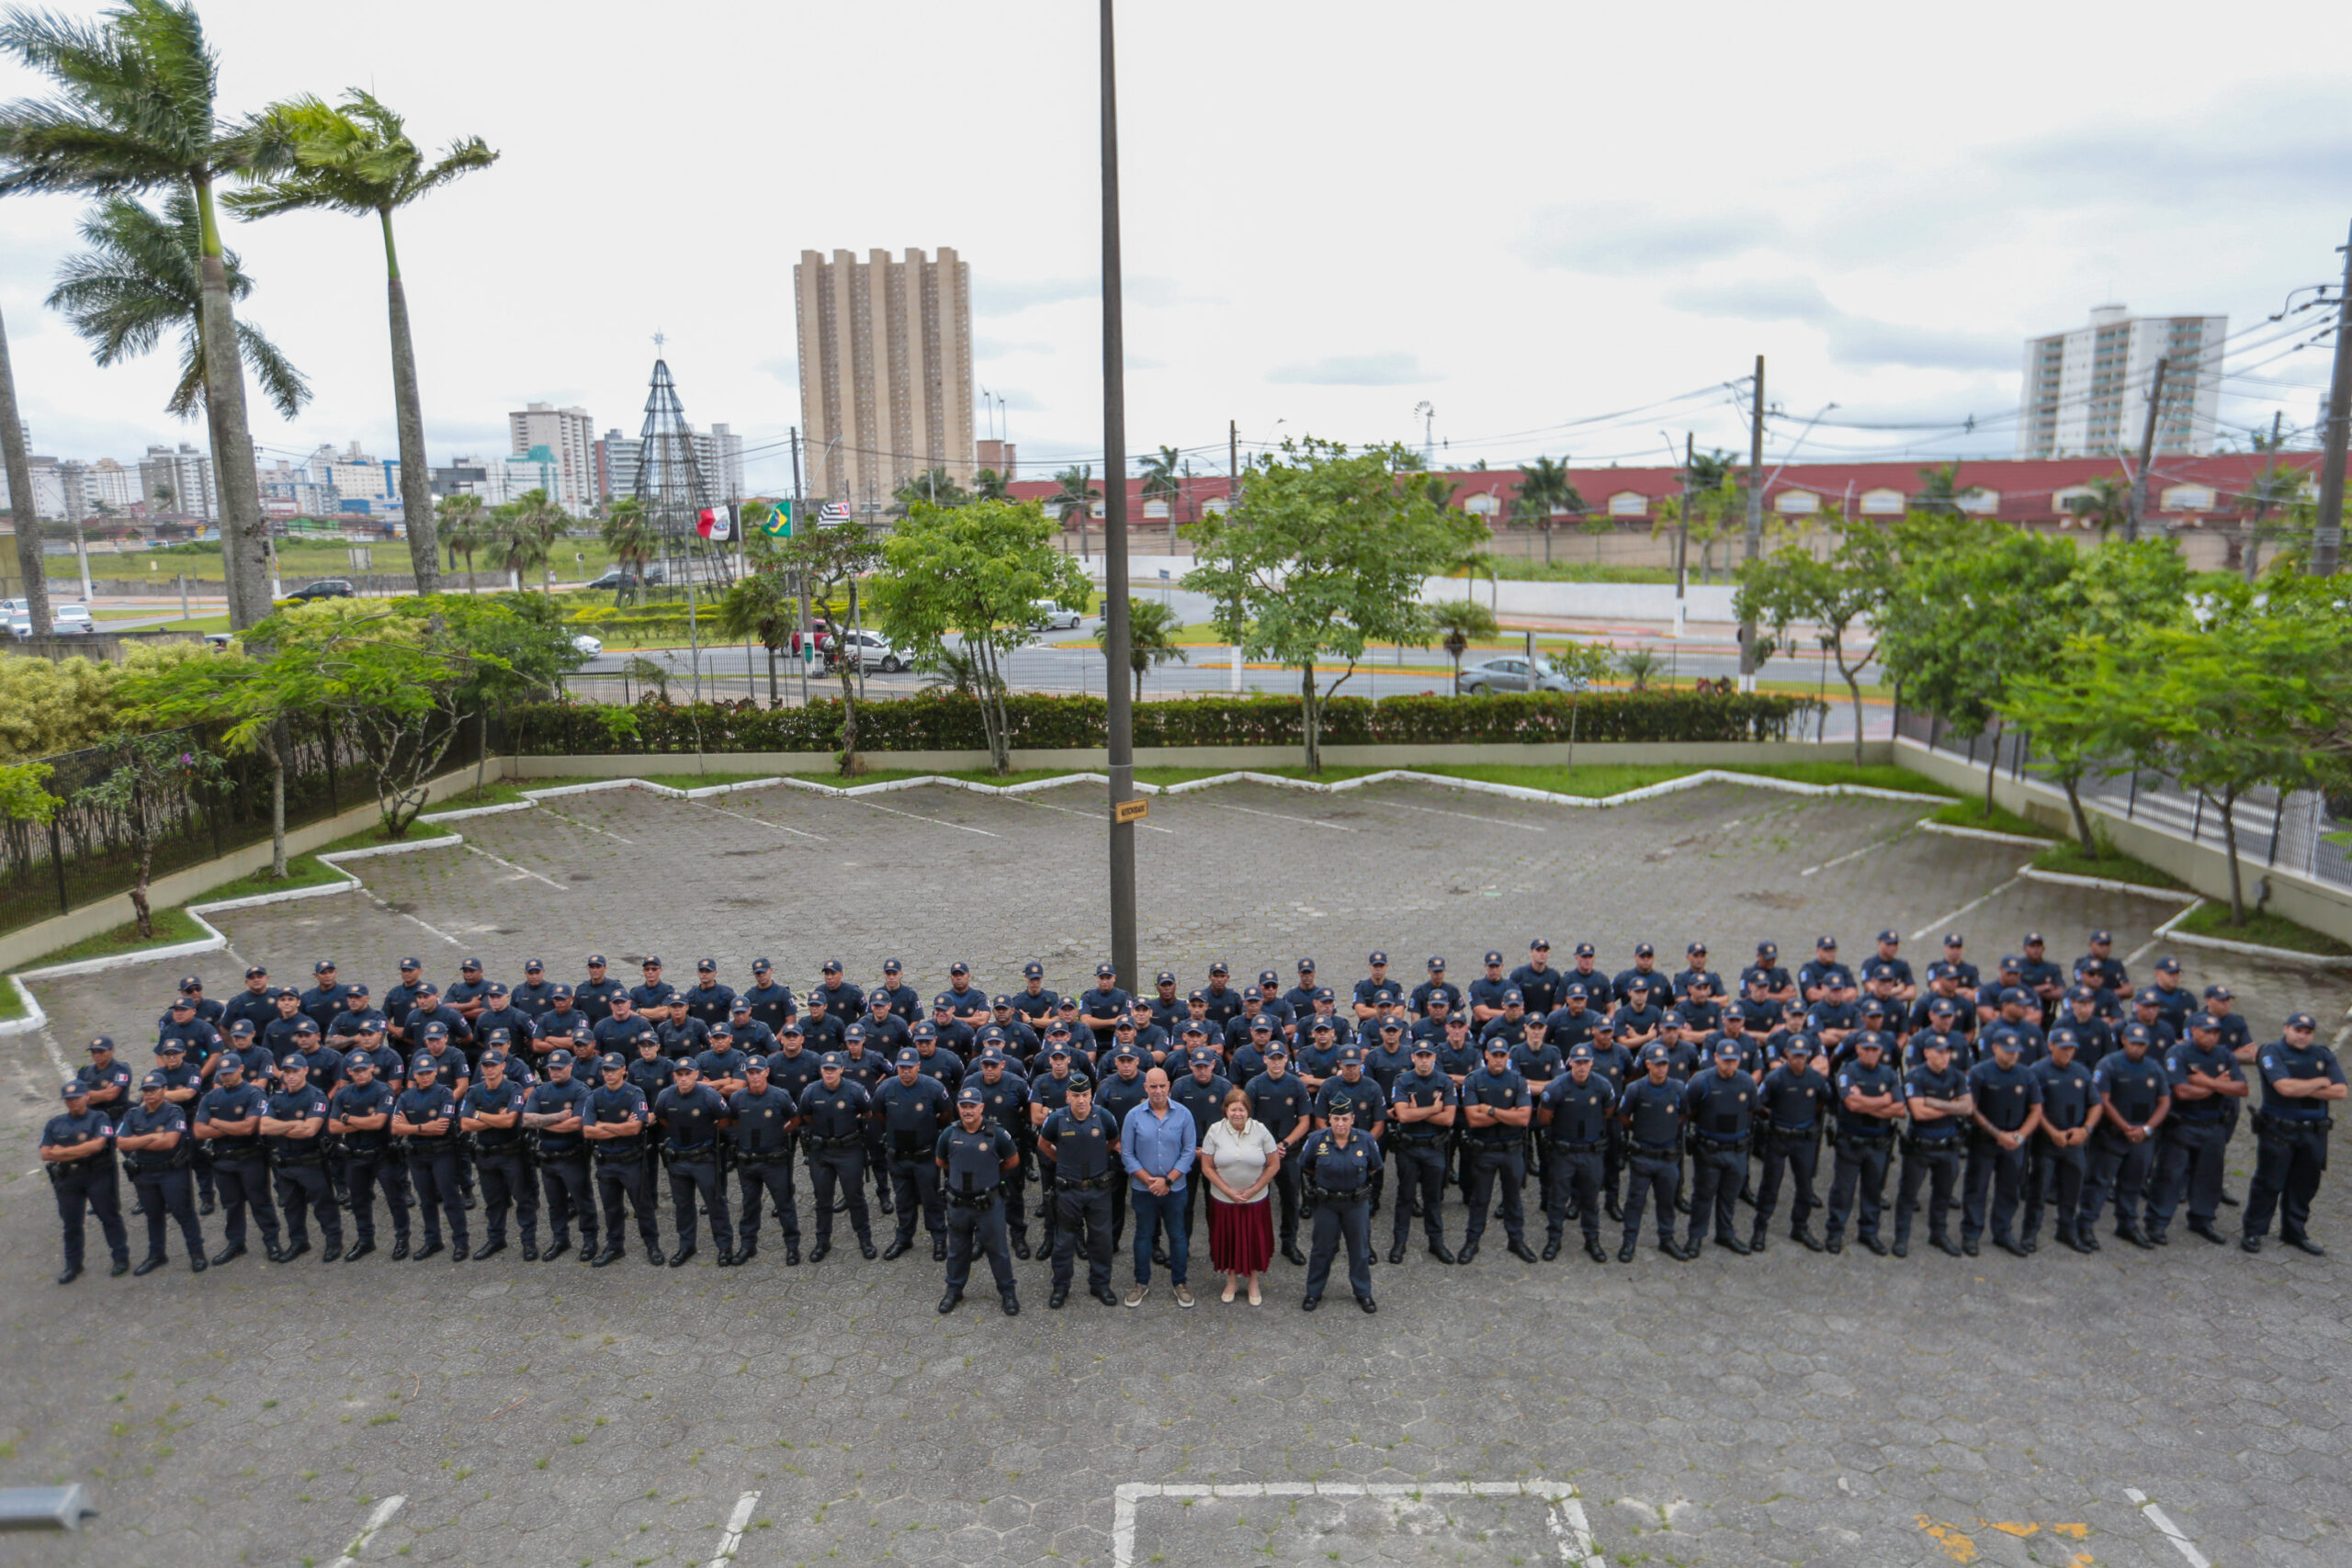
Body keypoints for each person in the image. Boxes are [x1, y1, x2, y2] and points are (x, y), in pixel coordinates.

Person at [2243, 1012, 2346, 1256]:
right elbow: (2284, 1088)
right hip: (2279, 1131)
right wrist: (2321, 1081)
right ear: (2286, 1029)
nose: (2302, 1036)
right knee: (2269, 1182)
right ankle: (2254, 1230)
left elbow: (2341, 1091)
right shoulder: (2272, 1052)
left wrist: (2301, 1087)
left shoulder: (2323, 1054)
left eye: (2308, 1032)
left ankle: (2294, 1231)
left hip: (2314, 1132)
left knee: (2305, 1185)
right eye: (2298, 1030)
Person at [2144, 1011, 2245, 1247]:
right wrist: (2219, 1084)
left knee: (2209, 1176)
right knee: (2169, 1176)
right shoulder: (2178, 1053)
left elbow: (2241, 1088)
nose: (2212, 1037)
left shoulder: (2225, 1055)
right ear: (2193, 1031)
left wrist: (2204, 1081)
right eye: (2206, 1032)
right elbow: (2182, 1091)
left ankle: (2202, 1219)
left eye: (2216, 1032)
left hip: (2214, 1125)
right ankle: (2157, 1223)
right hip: (2182, 1124)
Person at [2082, 1022, 2170, 1249]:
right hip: (2112, 1134)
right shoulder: (2109, 1064)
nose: (2137, 1048)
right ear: (2124, 1040)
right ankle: (2085, 1225)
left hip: (2142, 1137)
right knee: (2099, 1182)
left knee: (2134, 1182)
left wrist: (2146, 1129)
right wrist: (2125, 1127)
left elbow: (2164, 1101)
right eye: (2133, 1043)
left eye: (2142, 1044)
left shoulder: (2154, 1067)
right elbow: (2102, 1099)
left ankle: (2127, 1225)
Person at [934, 1086, 1021, 1315]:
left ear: (981, 1107)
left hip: (988, 1206)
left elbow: (1012, 1160)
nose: (968, 1110)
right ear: (958, 1108)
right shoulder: (949, 1134)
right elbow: (941, 1161)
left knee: (998, 1251)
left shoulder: (997, 1134)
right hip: (958, 1205)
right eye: (964, 1106)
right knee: (957, 1251)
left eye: (972, 1106)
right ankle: (954, 1290)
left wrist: (990, 1172)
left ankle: (1008, 1292)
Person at [1036, 1075, 1119, 1308]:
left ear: (1091, 1095)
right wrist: (1062, 1160)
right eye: (1076, 1095)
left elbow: (1112, 1141)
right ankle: (1061, 1286)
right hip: (1068, 1191)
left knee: (1101, 1240)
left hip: (1098, 1189)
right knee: (1064, 1242)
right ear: (1068, 1096)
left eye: (1085, 1095)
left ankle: (1100, 1284)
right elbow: (1043, 1144)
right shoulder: (1056, 1119)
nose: (1081, 1100)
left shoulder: (1104, 1117)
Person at [194, 1052, 281, 1265]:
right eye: (222, 1073)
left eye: (230, 1072)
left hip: (250, 1157)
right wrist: (233, 1127)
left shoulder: (253, 1093)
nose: (226, 1076)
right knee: (231, 1204)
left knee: (260, 1201)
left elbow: (248, 1128)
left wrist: (216, 1123)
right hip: (223, 1160)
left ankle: (272, 1242)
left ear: (241, 1069)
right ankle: (236, 1243)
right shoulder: (211, 1097)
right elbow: (198, 1131)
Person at [1121, 1067, 1197, 1309]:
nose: (1158, 1091)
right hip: (1144, 1190)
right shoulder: (1133, 1116)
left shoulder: (1184, 1114)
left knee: (1177, 1235)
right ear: (1145, 1087)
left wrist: (1168, 1181)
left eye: (1162, 1086)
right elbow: (1127, 1153)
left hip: (1175, 1189)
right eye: (1153, 1086)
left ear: (1169, 1086)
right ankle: (1141, 1282)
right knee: (1143, 1235)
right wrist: (1149, 1181)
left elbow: (1188, 1152)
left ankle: (1180, 1283)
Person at [1962, 1030, 2042, 1258]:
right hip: (1985, 1140)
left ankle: (2003, 1232)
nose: (2013, 1055)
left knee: (2010, 1188)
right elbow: (1972, 1109)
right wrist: (1997, 1134)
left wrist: (2020, 1136)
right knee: (1977, 1187)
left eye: (2016, 1051)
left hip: (2014, 1142)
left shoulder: (2026, 1074)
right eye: (2008, 1051)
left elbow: (2036, 1109)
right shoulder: (1979, 1072)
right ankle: (1971, 1233)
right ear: (1995, 1048)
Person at [1296, 1097, 1380, 1313]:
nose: (1340, 1123)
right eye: (1336, 1119)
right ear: (1329, 1119)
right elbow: (1306, 1166)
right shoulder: (1316, 1140)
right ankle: (1313, 1292)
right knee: (1321, 1250)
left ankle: (1363, 1293)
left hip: (1355, 1204)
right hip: (1327, 1204)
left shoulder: (1366, 1140)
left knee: (1359, 1250)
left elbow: (1373, 1167)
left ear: (1353, 1119)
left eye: (1344, 1119)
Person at [1823, 1031, 1903, 1256]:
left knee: (1873, 1191)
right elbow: (1851, 1104)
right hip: (1851, 1142)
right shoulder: (1848, 1071)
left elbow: (1900, 1109)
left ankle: (1869, 1233)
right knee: (1843, 1191)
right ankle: (1835, 1233)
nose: (1870, 1053)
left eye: (1874, 1049)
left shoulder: (1889, 1073)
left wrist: (1865, 1102)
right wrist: (1884, 1100)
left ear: (1881, 1051)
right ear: (1858, 1049)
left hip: (1879, 1143)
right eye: (1866, 1049)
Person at [1199, 1087, 1281, 1304]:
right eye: (1233, 1109)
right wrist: (1228, 1191)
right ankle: (1232, 1281)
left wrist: (1254, 1189)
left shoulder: (1261, 1130)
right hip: (1224, 1200)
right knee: (1229, 1240)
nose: (1238, 1114)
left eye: (1242, 1110)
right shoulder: (1215, 1131)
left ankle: (1253, 1282)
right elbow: (1207, 1167)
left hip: (1255, 1200)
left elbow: (1273, 1165)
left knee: (1254, 1241)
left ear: (1248, 1111)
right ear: (1225, 1110)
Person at [1458, 1040, 1537, 1263]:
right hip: (1484, 1150)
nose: (1499, 1059)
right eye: (1495, 1055)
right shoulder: (1474, 1080)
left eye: (1503, 1055)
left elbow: (1524, 1118)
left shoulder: (1518, 1080)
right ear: (1487, 1055)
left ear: (1507, 1057)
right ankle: (1472, 1241)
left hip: (1512, 1150)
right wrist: (1509, 1113)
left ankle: (1516, 1240)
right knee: (1480, 1199)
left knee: (1513, 1199)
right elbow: (1473, 1119)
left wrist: (1490, 1110)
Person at [1752, 1035, 1833, 1251]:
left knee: (1805, 1187)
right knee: (1770, 1186)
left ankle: (1800, 1227)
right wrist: (1772, 1116)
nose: (1798, 1060)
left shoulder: (1815, 1078)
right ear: (1787, 1054)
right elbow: (1758, 1103)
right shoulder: (1775, 1078)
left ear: (1808, 1056)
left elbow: (1825, 1099)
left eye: (1802, 1056)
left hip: (1804, 1140)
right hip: (1779, 1137)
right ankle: (1760, 1227)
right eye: (1795, 1056)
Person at [41, 1080, 129, 1283]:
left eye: (77, 1098)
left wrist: (62, 1152)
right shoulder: (55, 1123)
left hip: (97, 1174)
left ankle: (120, 1257)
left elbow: (97, 1146)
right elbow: (45, 1153)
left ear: (87, 1097)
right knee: (71, 1223)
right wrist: (80, 1150)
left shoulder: (100, 1118)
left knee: (108, 1216)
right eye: (68, 1099)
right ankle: (73, 1264)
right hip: (68, 1177)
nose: (72, 1102)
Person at [328, 1051, 411, 1260]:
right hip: (355, 1155)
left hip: (382, 1153)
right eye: (356, 1071)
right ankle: (365, 1240)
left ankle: (403, 1238)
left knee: (395, 1199)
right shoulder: (343, 1093)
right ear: (349, 1072)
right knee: (359, 1201)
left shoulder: (383, 1090)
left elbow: (378, 1123)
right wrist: (362, 1122)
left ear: (372, 1068)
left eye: (364, 1069)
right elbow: (333, 1127)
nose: (361, 1074)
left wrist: (347, 1118)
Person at [1894, 1033, 1972, 1258]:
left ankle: (1938, 1234)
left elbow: (1967, 1108)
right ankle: (1901, 1237)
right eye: (1939, 1052)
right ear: (1927, 1053)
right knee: (1908, 1195)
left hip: (1948, 1146)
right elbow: (1918, 1112)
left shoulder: (1956, 1075)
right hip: (1920, 1146)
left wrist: (1933, 1102)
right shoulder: (1915, 1076)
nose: (1944, 1057)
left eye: (1947, 1052)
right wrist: (1951, 1106)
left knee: (1943, 1195)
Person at [797, 1052, 878, 1262]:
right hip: (821, 1151)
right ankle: (822, 1241)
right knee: (822, 1199)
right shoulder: (810, 1092)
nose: (829, 1073)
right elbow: (806, 1115)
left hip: (848, 1149)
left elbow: (868, 1113)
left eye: (833, 1069)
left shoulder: (855, 1090)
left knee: (855, 1197)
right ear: (821, 1070)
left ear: (841, 1069)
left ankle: (865, 1239)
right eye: (826, 1069)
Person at [261, 1055, 341, 1264]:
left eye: (295, 1071)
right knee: (291, 1207)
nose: (291, 1076)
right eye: (287, 1072)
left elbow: (309, 1130)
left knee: (323, 1204)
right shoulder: (276, 1098)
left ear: (305, 1071)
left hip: (311, 1161)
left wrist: (280, 1127)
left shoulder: (316, 1096)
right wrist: (293, 1124)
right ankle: (298, 1242)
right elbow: (264, 1126)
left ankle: (333, 1240)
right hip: (284, 1162)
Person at [2026, 1028, 2099, 1254]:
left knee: (2072, 1189)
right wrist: (2051, 1132)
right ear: (2051, 1046)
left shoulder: (2081, 1071)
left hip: (2074, 1141)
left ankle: (2066, 1230)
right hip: (2047, 1141)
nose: (2068, 1052)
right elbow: (2034, 1107)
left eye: (2071, 1049)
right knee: (2039, 1190)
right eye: (2063, 1048)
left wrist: (2085, 1130)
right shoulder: (2038, 1070)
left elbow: (2096, 1104)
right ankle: (2030, 1233)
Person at [584, 1052, 662, 1267]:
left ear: (623, 1070)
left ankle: (652, 1245)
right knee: (611, 1208)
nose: (609, 1074)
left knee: (643, 1206)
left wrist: (602, 1125)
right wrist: (621, 1127)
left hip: (631, 1161)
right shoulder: (595, 1096)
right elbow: (588, 1131)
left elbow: (635, 1128)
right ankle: (614, 1246)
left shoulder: (634, 1093)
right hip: (606, 1161)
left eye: (613, 1069)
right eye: (605, 1070)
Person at [1537, 1043, 1612, 1263]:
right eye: (1577, 1062)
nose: (1581, 1067)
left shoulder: (1602, 1086)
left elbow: (1608, 1112)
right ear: (1570, 1062)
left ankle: (1592, 1240)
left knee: (1590, 1200)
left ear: (1591, 1063)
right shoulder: (1556, 1087)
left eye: (1585, 1062)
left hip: (1591, 1152)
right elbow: (1544, 1118)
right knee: (1558, 1199)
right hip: (1564, 1153)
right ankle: (1554, 1239)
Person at [461, 1048, 538, 1261]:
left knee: (523, 1199)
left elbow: (509, 1121)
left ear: (503, 1066)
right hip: (486, 1154)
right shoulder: (474, 1091)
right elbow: (465, 1124)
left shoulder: (513, 1088)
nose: (490, 1069)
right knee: (493, 1201)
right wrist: (494, 1118)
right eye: (486, 1066)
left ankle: (529, 1242)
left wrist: (478, 1115)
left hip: (512, 1152)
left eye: (494, 1065)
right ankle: (496, 1239)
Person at [1683, 1037, 1758, 1256]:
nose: (1729, 1065)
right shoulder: (1701, 1081)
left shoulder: (1747, 1082)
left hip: (1737, 1149)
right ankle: (1696, 1237)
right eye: (1725, 1060)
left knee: (1729, 1195)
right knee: (1703, 1195)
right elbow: (1689, 1110)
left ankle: (1725, 1234)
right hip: (1709, 1149)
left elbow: (1751, 1110)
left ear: (1739, 1061)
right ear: (1716, 1058)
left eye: (1733, 1061)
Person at [522, 1049, 597, 1263]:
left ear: (570, 1067)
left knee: (583, 1201)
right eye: (551, 1068)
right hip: (548, 1157)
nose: (555, 1072)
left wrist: (543, 1121)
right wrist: (557, 1117)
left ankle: (590, 1240)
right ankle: (560, 1239)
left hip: (573, 1156)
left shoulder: (580, 1090)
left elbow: (575, 1124)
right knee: (555, 1203)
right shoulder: (541, 1090)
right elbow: (526, 1120)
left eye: (559, 1068)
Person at [876, 1048, 952, 1261]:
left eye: (910, 1067)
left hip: (925, 1156)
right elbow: (879, 1114)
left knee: (931, 1199)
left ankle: (939, 1238)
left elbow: (946, 1114)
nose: (906, 1071)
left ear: (918, 1066)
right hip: (898, 1156)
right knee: (903, 1199)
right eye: (902, 1067)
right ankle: (904, 1237)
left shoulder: (933, 1088)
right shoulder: (886, 1088)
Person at [653, 1060, 731, 1268]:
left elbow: (724, 1119)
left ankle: (724, 1246)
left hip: (704, 1159)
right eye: (679, 1074)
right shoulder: (665, 1096)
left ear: (696, 1074)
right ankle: (686, 1245)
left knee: (715, 1203)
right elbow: (662, 1119)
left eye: (687, 1074)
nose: (684, 1078)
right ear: (674, 1076)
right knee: (683, 1205)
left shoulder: (709, 1095)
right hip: (678, 1159)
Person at [1615, 1043, 1689, 1261]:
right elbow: (1623, 1116)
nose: (1661, 1068)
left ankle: (1667, 1239)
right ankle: (1629, 1242)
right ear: (1648, 1064)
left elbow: (1683, 1114)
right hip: (1643, 1155)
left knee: (1667, 1201)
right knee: (1635, 1202)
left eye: (1664, 1064)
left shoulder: (1678, 1088)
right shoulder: (1635, 1089)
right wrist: (1640, 1129)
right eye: (1657, 1065)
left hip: (1668, 1156)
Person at [725, 1057, 801, 1267]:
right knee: (749, 1205)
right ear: (746, 1075)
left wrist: (780, 1131)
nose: (754, 1076)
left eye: (758, 1072)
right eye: (750, 1073)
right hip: (748, 1161)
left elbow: (795, 1119)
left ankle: (792, 1246)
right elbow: (734, 1120)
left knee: (784, 1204)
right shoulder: (737, 1098)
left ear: (766, 1072)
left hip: (774, 1160)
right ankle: (748, 1246)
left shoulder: (780, 1096)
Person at [1387, 1042, 1458, 1264]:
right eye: (1420, 1056)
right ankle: (1400, 1243)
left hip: (1434, 1147)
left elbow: (1449, 1118)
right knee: (1405, 1197)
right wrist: (1434, 1109)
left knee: (1433, 1198)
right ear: (1413, 1058)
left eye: (1428, 1056)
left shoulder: (1444, 1081)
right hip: (1408, 1147)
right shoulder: (1403, 1080)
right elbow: (1403, 1116)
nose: (1424, 1060)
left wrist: (1416, 1111)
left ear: (1434, 1058)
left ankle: (1436, 1243)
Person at [393, 1054, 469, 1261]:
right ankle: (432, 1240)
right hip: (417, 1155)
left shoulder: (445, 1093)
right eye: (421, 1073)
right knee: (426, 1201)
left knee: (451, 1198)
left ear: (435, 1072)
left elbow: (441, 1128)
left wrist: (410, 1127)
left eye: (428, 1072)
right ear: (414, 1075)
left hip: (442, 1153)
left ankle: (461, 1241)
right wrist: (424, 1127)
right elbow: (395, 1128)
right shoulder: (406, 1097)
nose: (425, 1076)